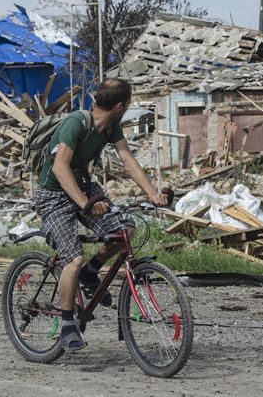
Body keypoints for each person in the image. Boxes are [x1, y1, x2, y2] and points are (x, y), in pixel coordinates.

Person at [34, 78, 167, 351]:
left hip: (82, 185)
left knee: (124, 231)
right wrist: (85, 204)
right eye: (128, 104)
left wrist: (153, 193)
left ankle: (90, 273)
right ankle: (68, 324)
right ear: (120, 106)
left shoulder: (111, 127)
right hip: (54, 195)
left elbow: (127, 159)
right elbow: (60, 168)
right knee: (72, 258)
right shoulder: (76, 123)